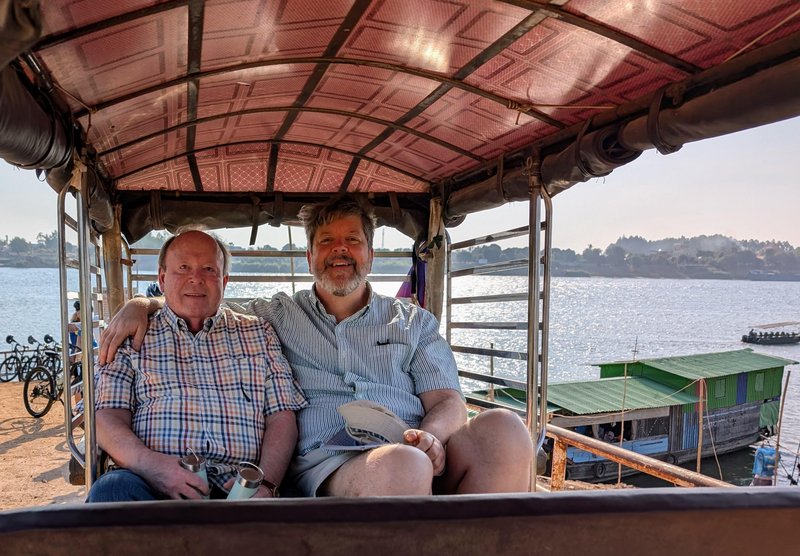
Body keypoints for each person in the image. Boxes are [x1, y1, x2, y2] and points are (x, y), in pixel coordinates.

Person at [100, 195, 533, 497]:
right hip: (335, 462)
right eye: (326, 241)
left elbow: (448, 401)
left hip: (416, 448)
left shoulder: (413, 321)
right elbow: (198, 298)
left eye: (352, 240)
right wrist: (142, 303)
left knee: (504, 430)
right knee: (403, 465)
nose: (339, 250)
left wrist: (434, 439)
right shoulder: (275, 316)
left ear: (370, 255)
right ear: (309, 256)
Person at [87, 230, 307, 502]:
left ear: (224, 280)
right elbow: (106, 416)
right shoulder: (131, 334)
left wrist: (266, 483)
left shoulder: (259, 333)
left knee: (307, 507)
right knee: (112, 490)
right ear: (162, 278)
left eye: (208, 269)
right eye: (183, 268)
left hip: (241, 486)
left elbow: (282, 417)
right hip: (150, 482)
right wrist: (152, 466)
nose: (196, 278)